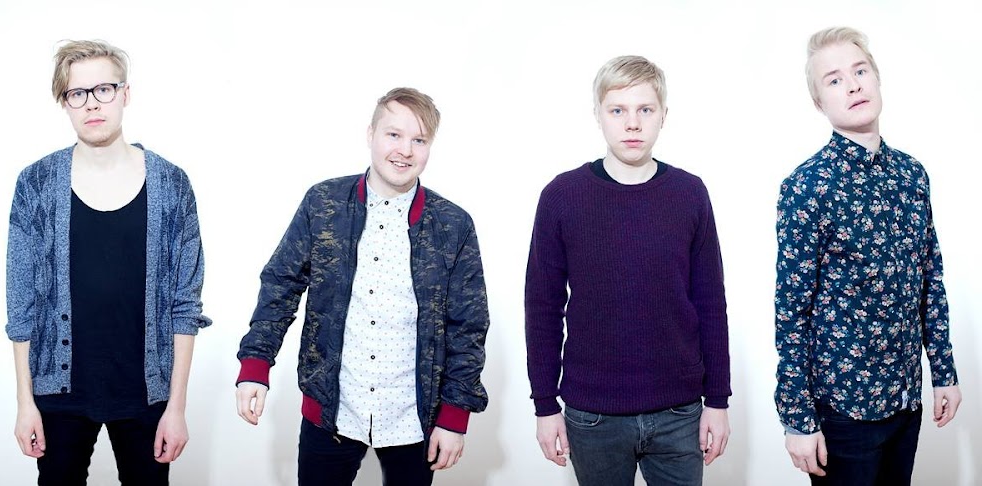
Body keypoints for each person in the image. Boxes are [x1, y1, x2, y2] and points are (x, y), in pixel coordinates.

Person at [234, 87, 490, 486]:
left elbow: (468, 326)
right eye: (394, 135)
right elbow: (281, 285)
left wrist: (455, 416)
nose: (404, 150)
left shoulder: (453, 224)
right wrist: (255, 365)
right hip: (331, 410)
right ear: (370, 134)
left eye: (419, 140)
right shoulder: (323, 203)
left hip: (414, 418)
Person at [7, 40, 211, 485]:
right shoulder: (35, 184)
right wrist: (25, 403)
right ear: (65, 102)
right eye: (77, 93)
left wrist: (176, 407)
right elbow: (21, 305)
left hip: (147, 392)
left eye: (103, 89)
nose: (92, 103)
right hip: (57, 389)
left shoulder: (172, 184)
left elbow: (184, 306)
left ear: (125, 94)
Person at [524, 55, 731, 486]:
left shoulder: (690, 194)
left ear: (663, 115)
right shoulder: (562, 196)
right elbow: (542, 306)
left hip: (679, 411)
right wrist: (545, 404)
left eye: (645, 110)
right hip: (592, 414)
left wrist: (718, 400)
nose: (632, 124)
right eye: (618, 110)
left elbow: (711, 302)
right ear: (598, 115)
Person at [774, 26, 962, 485]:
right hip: (844, 411)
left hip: (905, 399)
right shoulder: (806, 187)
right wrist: (798, 419)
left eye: (860, 72)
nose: (853, 85)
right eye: (834, 79)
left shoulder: (912, 175)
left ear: (877, 79)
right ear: (818, 101)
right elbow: (791, 311)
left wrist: (944, 372)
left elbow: (930, 280)